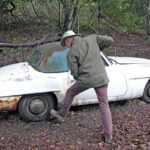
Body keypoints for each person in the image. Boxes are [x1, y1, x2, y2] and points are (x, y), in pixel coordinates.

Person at [50, 30, 114, 144]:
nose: (66, 46)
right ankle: (108, 136)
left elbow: (74, 72)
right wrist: (100, 48)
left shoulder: (72, 52)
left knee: (70, 92)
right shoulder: (93, 38)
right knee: (104, 105)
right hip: (101, 78)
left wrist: (79, 76)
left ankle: (61, 115)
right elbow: (110, 40)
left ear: (69, 39)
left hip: (86, 79)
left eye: (66, 44)